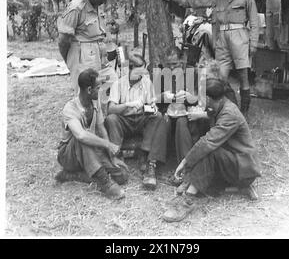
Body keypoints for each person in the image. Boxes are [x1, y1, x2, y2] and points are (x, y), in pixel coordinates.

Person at [161, 0, 259, 117]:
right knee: (221, 77)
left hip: (240, 36)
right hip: (221, 39)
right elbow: (194, 0)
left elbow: (254, 21)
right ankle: (222, 111)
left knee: (243, 76)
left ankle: (244, 113)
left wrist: (253, 43)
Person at [163, 78, 261, 222]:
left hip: (243, 169)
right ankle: (198, 182)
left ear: (208, 98)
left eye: (200, 96)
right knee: (206, 174)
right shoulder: (221, 105)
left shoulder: (230, 114)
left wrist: (185, 162)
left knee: (209, 149)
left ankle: (187, 201)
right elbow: (210, 117)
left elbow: (208, 142)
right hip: (232, 163)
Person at [55, 68, 128, 200]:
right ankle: (105, 182)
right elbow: (81, 135)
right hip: (69, 155)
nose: (100, 90)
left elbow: (101, 128)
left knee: (122, 174)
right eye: (98, 87)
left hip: (89, 152)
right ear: (89, 90)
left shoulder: (95, 101)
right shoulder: (70, 108)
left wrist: (110, 154)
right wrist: (107, 144)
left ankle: (74, 175)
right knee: (84, 137)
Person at [104, 54, 167, 190]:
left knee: (159, 117)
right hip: (124, 120)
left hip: (141, 118)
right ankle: (116, 157)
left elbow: (151, 103)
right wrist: (128, 104)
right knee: (111, 119)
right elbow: (111, 109)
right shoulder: (119, 84)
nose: (141, 75)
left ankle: (149, 159)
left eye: (143, 71)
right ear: (130, 69)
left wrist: (153, 108)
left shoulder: (146, 82)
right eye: (138, 71)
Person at [57, 0, 118, 93]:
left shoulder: (96, 5)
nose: (104, 1)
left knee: (112, 86)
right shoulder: (76, 8)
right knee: (87, 93)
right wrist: (71, 61)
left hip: (100, 53)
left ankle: (104, 111)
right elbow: (63, 40)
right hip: (82, 55)